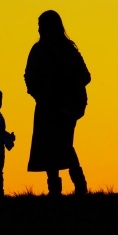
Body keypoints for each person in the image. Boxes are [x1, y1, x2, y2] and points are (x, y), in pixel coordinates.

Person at [24, 10, 91, 196]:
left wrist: (65, 92)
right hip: (48, 105)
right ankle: (59, 188)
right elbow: (29, 76)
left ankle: (76, 186)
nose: (39, 29)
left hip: (65, 106)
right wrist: (39, 95)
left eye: (41, 25)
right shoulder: (43, 49)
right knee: (50, 145)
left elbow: (85, 76)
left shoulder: (66, 50)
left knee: (62, 144)